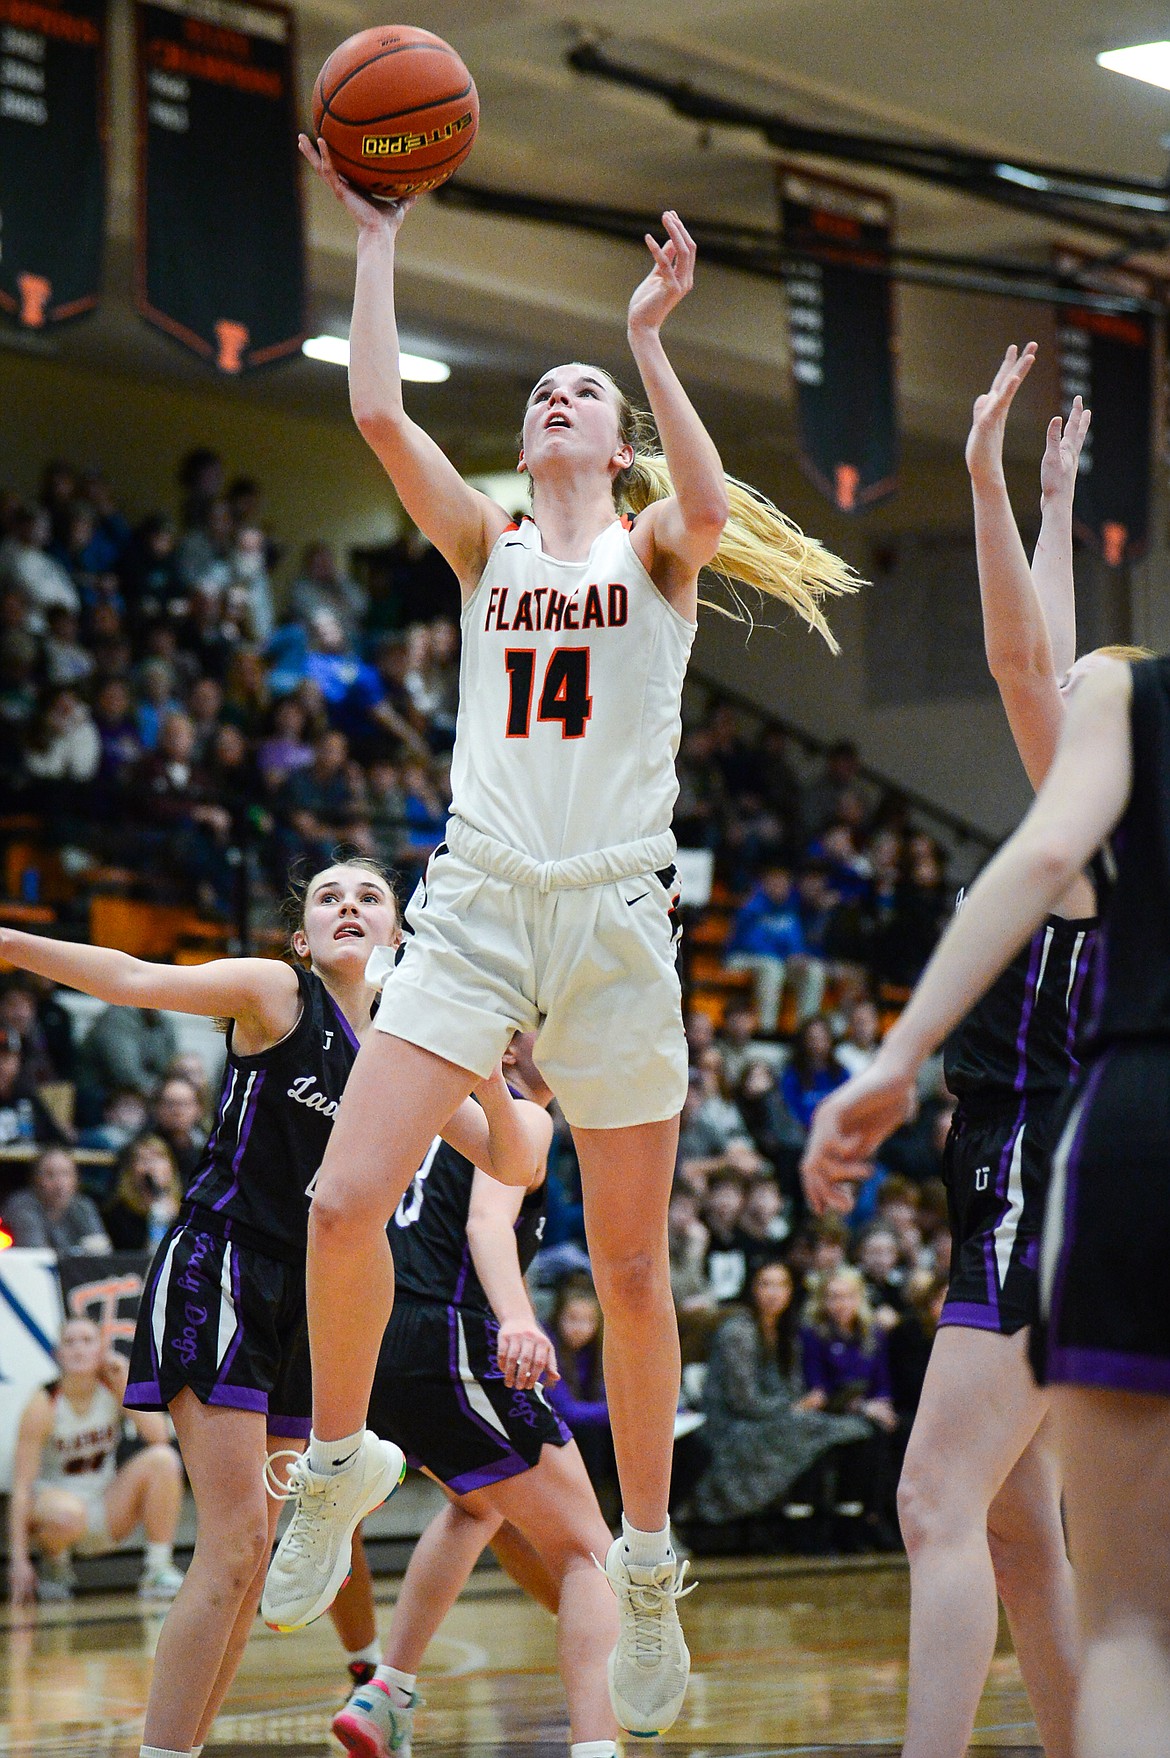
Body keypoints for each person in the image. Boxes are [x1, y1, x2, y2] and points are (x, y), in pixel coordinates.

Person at [275, 133, 857, 1740]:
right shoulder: (487, 545)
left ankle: (652, 1558)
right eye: (542, 389)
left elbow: (715, 497)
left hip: (612, 910)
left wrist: (652, 342)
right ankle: (336, 1462)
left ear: (614, 443)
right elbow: (382, 412)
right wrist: (379, 233)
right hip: (472, 899)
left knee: (626, 1269)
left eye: (578, 391)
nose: (554, 397)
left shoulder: (655, 549)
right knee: (341, 1198)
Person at [802, 345, 1142, 1758]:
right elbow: (1049, 662)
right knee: (1019, 1535)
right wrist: (1056, 506)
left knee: (935, 1503)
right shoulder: (1120, 836)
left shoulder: (1090, 835)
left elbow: (1018, 663)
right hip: (1052, 1175)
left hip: (1031, 1169)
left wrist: (980, 485)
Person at [326, 1034, 620, 1758]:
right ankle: (598, 1747)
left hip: (376, 1343)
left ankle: (386, 1692)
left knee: (479, 1504)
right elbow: (487, 1223)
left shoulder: (436, 1109)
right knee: (590, 1555)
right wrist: (519, 1318)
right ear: (517, 1046)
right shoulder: (522, 1115)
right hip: (448, 1336)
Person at [8, 1316, 183, 1604]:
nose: (78, 1349)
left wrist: (126, 1379)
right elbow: (22, 1486)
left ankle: (158, 1568)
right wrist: (19, 1560)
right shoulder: (44, 1403)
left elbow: (159, 1436)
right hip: (57, 1512)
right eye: (70, 1342)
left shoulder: (112, 1388)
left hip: (104, 1508)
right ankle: (55, 1567)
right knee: (68, 1512)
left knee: (163, 1460)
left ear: (102, 1350)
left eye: (87, 1341)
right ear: (58, 1354)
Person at [692, 1258, 869, 1538]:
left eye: (781, 1285)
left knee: (840, 1427)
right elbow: (743, 1401)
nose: (774, 1293)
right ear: (751, 1288)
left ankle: (839, 1521)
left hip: (772, 1417)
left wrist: (802, 1404)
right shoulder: (738, 1331)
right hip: (730, 1425)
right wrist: (793, 1407)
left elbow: (795, 1386)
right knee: (812, 1428)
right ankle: (794, 1524)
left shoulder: (787, 1331)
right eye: (766, 1284)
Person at [5, 1146, 110, 1253]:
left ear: (76, 1179)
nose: (60, 1184)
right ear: (35, 1179)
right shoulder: (21, 1206)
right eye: (50, 1175)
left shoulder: (83, 1205)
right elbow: (36, 1254)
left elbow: (101, 1250)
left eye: (66, 1174)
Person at [102, 1135, 183, 1253]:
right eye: (143, 1160)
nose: (152, 1166)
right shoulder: (118, 1212)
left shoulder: (187, 1206)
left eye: (158, 1158)